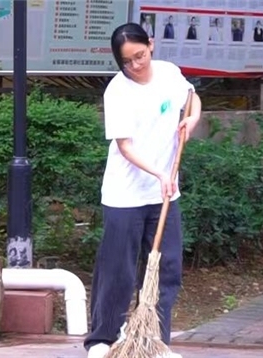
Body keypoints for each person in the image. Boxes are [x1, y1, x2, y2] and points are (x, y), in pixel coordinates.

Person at [84, 22, 202, 358]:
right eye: (127, 62)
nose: (136, 65)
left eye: (140, 55)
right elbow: (125, 146)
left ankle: (155, 341)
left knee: (166, 270)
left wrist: (191, 121)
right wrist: (158, 172)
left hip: (165, 193)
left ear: (150, 45)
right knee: (117, 269)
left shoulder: (169, 74)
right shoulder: (118, 91)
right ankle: (101, 339)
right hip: (126, 194)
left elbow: (193, 100)